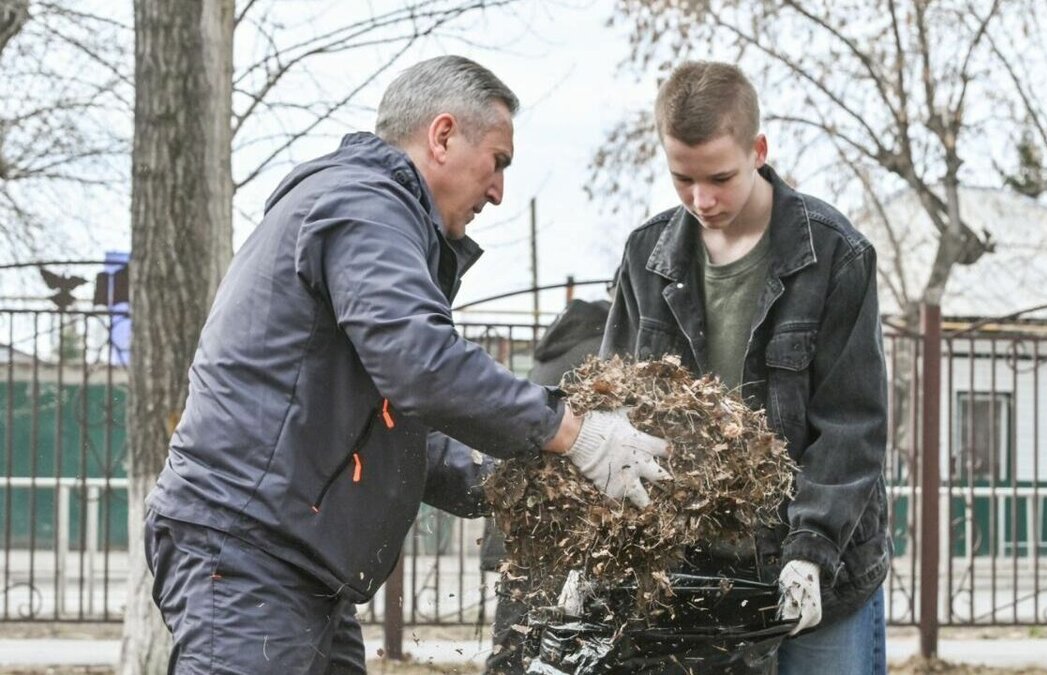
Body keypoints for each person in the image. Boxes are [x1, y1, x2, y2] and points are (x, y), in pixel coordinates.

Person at [142, 56, 670, 674]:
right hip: (248, 555)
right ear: (443, 136)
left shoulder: (371, 213)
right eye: (497, 161)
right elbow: (422, 365)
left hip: (296, 567)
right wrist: (574, 432)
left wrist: (527, 480)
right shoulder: (364, 204)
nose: (498, 191)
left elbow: (393, 424)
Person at [600, 61, 890, 674]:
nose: (702, 200)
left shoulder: (835, 254)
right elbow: (612, 415)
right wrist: (598, 552)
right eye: (683, 179)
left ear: (758, 150)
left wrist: (809, 548)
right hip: (696, 573)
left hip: (823, 571)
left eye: (720, 177)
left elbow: (851, 424)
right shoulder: (645, 258)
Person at [480, 297, 612, 674]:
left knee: (515, 640)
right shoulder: (602, 353)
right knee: (558, 645)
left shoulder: (556, 350)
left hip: (523, 516)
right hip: (558, 523)